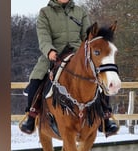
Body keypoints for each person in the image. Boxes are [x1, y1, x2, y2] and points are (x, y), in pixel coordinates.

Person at [20, 0, 119, 137]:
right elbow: (43, 36)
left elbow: (88, 35)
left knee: (98, 77)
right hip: (54, 54)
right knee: (36, 78)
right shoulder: (45, 13)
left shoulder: (80, 11)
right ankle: (31, 116)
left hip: (78, 53)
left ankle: (105, 118)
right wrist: (49, 51)